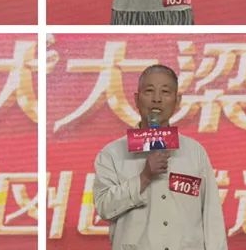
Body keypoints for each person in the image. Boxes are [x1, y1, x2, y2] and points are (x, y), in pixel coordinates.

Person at [93, 64, 228, 250]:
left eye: (165, 92)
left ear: (177, 100)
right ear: (136, 99)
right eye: (149, 91)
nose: (156, 99)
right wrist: (144, 177)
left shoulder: (194, 152)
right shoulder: (113, 154)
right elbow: (104, 208)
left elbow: (212, 216)